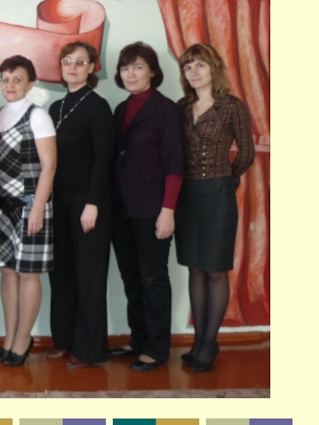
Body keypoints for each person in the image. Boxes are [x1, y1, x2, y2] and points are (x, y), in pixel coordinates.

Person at [175, 43, 255, 372]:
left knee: (215, 269)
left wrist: (226, 181)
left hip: (218, 193)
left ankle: (209, 343)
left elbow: (246, 152)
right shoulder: (182, 106)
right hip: (186, 195)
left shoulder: (231, 106)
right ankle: (198, 342)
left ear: (213, 69)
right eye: (188, 67)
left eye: (200, 66)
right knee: (195, 268)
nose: (193, 72)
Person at [109, 42, 185, 372]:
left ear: (152, 71)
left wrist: (168, 211)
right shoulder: (120, 109)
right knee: (131, 277)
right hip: (121, 208)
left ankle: (156, 348)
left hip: (153, 209)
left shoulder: (165, 109)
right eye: (125, 68)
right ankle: (139, 339)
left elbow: (175, 165)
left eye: (138, 67)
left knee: (153, 278)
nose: (130, 74)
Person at [47, 42, 114, 369]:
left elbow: (104, 161)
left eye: (80, 61)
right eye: (67, 61)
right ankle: (64, 340)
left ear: (91, 67)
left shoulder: (98, 106)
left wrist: (92, 203)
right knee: (61, 274)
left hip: (88, 204)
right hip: (58, 203)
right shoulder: (55, 107)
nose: (72, 66)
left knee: (89, 277)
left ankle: (89, 350)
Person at [0, 55, 57, 367]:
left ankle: (23, 338)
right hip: (0, 207)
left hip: (31, 205)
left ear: (30, 84)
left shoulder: (37, 115)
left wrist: (39, 207)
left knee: (28, 273)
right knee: (7, 271)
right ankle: (9, 337)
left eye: (17, 79)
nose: (10, 85)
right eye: (5, 79)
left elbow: (49, 166)